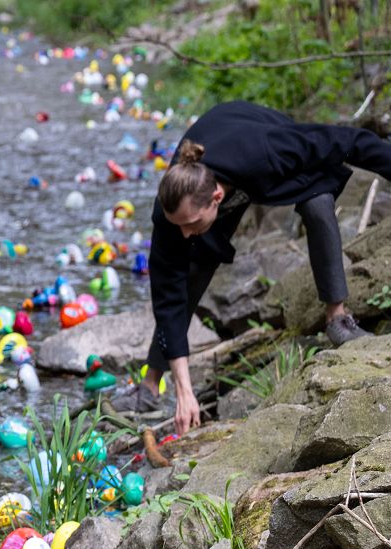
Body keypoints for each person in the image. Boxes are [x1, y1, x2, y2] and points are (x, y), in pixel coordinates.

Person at [138, 100, 391, 433]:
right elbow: (167, 294)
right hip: (219, 162)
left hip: (257, 143)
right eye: (179, 225)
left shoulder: (271, 151)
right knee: (191, 274)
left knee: (318, 205)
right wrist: (184, 391)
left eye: (191, 223)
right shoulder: (174, 211)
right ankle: (150, 383)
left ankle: (338, 318)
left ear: (217, 199)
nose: (184, 233)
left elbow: (350, 141)